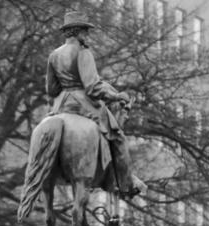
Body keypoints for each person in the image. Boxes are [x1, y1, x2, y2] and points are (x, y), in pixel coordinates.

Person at [45, 11, 142, 199]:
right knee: (118, 137)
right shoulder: (83, 52)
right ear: (78, 31)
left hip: (60, 106)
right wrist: (114, 96)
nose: (86, 35)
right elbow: (92, 87)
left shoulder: (54, 55)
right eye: (85, 31)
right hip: (83, 104)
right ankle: (124, 183)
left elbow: (50, 89)